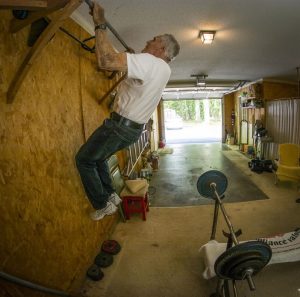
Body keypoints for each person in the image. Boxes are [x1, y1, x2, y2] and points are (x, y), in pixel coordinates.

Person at [75, 1, 180, 221]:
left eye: (152, 40)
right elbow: (127, 76)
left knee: (84, 159)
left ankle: (102, 203)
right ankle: (111, 196)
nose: (147, 41)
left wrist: (100, 25)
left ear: (161, 49)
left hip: (120, 126)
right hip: (131, 131)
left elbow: (105, 61)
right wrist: (132, 61)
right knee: (100, 158)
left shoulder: (151, 62)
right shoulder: (163, 70)